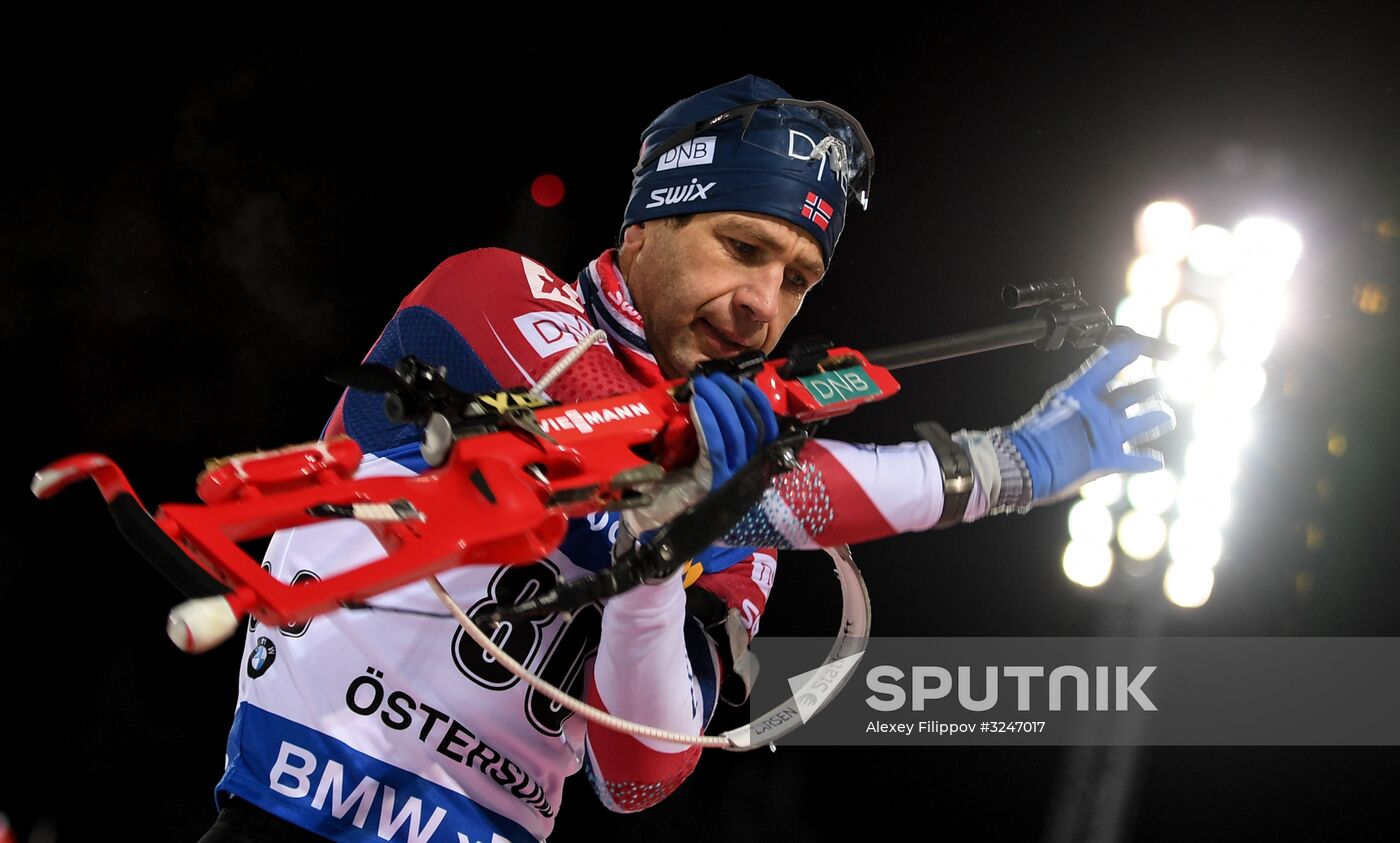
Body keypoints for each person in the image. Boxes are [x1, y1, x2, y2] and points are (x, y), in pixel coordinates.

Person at [199, 74, 1173, 842]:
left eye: (796, 278)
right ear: (645, 226)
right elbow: (626, 448)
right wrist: (1002, 466)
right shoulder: (490, 297)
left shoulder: (738, 518)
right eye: (740, 245)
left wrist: (653, 580)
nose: (763, 303)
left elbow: (638, 775)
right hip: (279, 819)